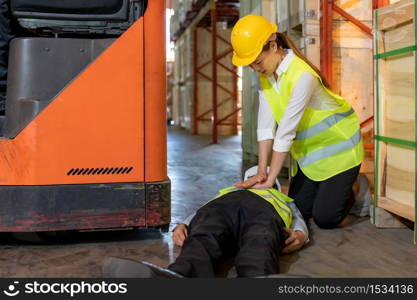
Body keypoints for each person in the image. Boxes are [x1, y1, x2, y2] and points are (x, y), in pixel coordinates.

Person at [230, 15, 369, 228]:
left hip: (340, 152)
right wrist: (261, 172)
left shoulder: (303, 76)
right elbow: (266, 127)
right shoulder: (267, 76)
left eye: (257, 62)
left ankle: (357, 188)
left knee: (326, 219)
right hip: (311, 157)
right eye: (251, 66)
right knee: (298, 212)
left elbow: (286, 131)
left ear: (273, 45)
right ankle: (329, 189)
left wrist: (270, 180)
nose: (256, 69)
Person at [103, 166, 309, 278]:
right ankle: (177, 277)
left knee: (260, 240)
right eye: (254, 178)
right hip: (222, 211)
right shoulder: (229, 191)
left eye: (263, 179)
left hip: (263, 214)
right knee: (204, 236)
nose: (258, 181)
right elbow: (200, 213)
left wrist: (300, 234)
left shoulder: (282, 198)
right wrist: (183, 225)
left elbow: (297, 216)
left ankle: (258, 278)